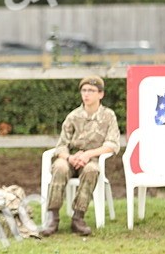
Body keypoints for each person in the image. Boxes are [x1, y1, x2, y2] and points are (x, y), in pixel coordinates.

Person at [42, 76, 120, 236]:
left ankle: (78, 217)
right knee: (59, 167)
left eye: (91, 90)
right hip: (71, 158)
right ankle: (52, 217)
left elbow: (112, 145)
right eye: (84, 90)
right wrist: (70, 158)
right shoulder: (73, 116)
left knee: (91, 170)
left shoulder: (108, 116)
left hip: (92, 159)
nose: (86, 94)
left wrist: (88, 154)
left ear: (101, 94)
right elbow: (61, 145)